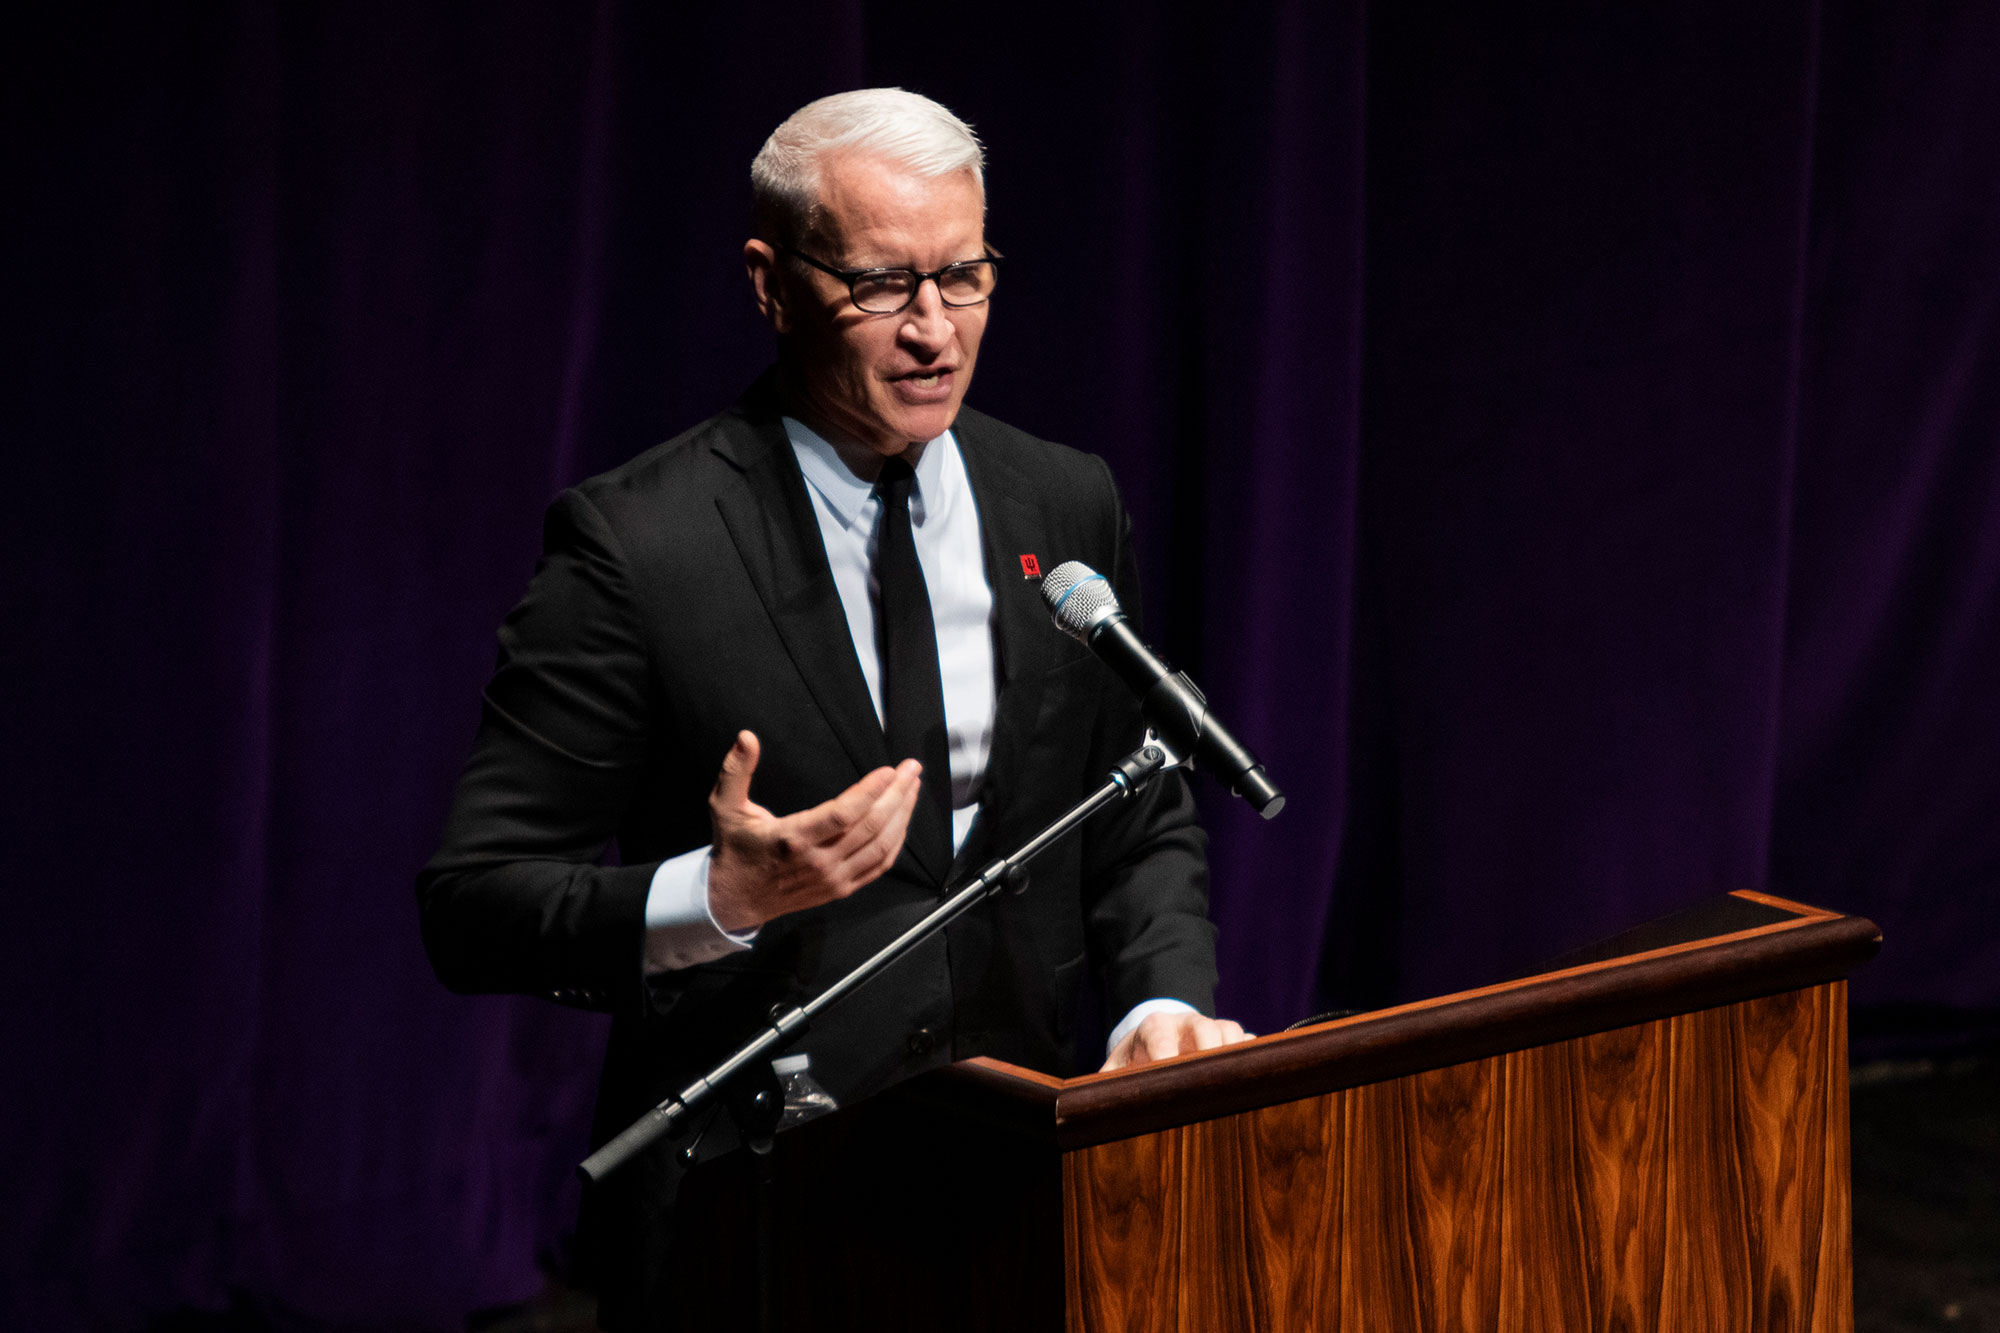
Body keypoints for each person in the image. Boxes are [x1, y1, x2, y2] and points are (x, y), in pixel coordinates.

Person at [417, 88, 1250, 1325]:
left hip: (1020, 1196)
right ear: (771, 282)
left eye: (963, 276)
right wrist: (716, 897)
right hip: (747, 1230)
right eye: (879, 285)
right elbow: (473, 904)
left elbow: (1130, 811)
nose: (934, 331)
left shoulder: (1060, 503)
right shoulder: (638, 548)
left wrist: (1160, 1001)